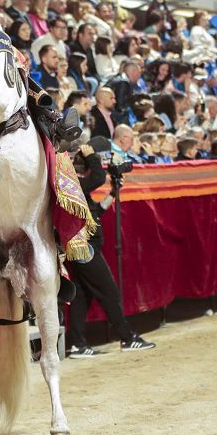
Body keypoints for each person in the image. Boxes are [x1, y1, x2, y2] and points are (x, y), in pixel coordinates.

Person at [67, 146, 156, 356]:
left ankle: (78, 344)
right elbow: (98, 177)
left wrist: (112, 194)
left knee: (82, 295)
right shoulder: (71, 184)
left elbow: (94, 212)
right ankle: (127, 337)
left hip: (82, 247)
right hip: (83, 247)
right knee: (109, 291)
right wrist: (92, 155)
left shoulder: (77, 187)